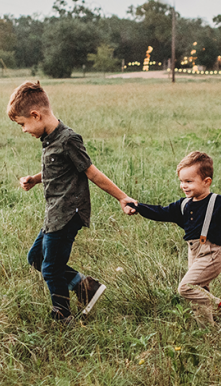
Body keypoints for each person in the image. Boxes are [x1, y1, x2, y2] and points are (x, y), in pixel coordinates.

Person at [8, 80, 137, 326]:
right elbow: (57, 170)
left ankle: (62, 315)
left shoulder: (68, 139)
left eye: (23, 124)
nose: (24, 130)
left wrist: (123, 197)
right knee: (36, 257)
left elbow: (91, 172)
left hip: (68, 213)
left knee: (50, 267)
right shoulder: (49, 139)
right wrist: (36, 179)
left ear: (36, 115)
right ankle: (85, 286)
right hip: (54, 213)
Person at [130, 151, 221, 329]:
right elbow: (161, 212)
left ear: (207, 182)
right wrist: (138, 207)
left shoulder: (216, 202)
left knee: (186, 288)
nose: (183, 185)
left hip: (212, 255)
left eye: (189, 181)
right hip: (194, 254)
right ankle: (209, 330)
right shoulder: (184, 204)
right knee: (199, 295)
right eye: (182, 181)